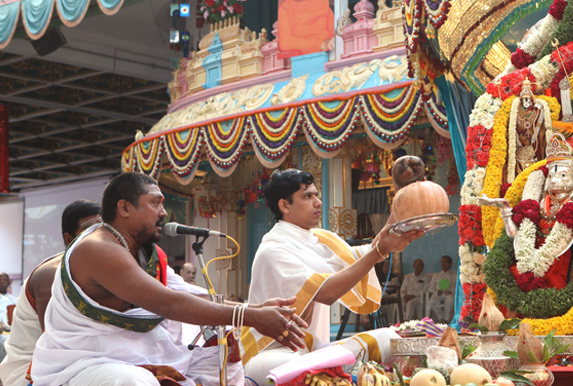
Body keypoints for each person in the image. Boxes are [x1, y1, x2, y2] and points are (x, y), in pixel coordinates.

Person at [31, 172, 307, 386]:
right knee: (135, 382)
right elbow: (168, 303)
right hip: (83, 362)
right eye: (155, 203)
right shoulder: (98, 248)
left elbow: (189, 294)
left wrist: (257, 310)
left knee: (217, 353)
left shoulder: (145, 252)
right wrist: (252, 317)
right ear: (124, 208)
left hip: (130, 353)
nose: (164, 212)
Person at [243, 169, 422, 379]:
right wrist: (378, 251)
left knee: (393, 341)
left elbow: (366, 253)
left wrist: (400, 201)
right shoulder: (274, 249)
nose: (318, 202)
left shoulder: (319, 239)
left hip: (312, 352)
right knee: (306, 369)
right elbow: (327, 292)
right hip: (270, 354)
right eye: (307, 196)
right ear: (284, 205)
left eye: (316, 195)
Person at [0, 200, 102, 386]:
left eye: (104, 230)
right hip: (34, 370)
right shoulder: (51, 273)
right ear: (68, 239)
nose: (99, 237)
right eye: (89, 230)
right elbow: (58, 345)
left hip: (84, 360)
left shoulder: (107, 267)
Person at [427, 256, 456, 323]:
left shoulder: (454, 275)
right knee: (432, 300)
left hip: (450, 294)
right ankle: (441, 318)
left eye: (445, 262)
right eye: (441, 262)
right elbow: (431, 288)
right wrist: (437, 292)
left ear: (450, 264)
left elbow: (457, 288)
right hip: (439, 294)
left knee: (450, 299)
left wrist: (451, 291)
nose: (442, 264)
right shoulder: (436, 275)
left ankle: (446, 319)